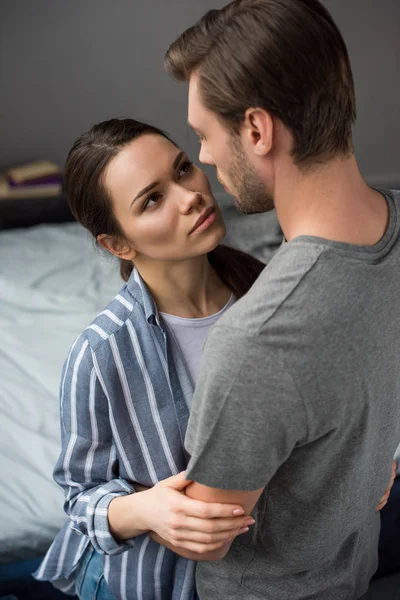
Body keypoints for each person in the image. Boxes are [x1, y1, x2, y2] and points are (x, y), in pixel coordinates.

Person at [164, 1, 400, 599]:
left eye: (203, 137)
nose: (207, 159)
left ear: (256, 130)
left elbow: (210, 536)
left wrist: (134, 506)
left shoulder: (258, 341)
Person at [34, 118, 265, 600]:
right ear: (118, 244)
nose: (190, 196)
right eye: (152, 199)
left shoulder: (272, 296)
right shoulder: (100, 353)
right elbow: (81, 499)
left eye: (183, 169)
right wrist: (146, 510)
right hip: (147, 585)